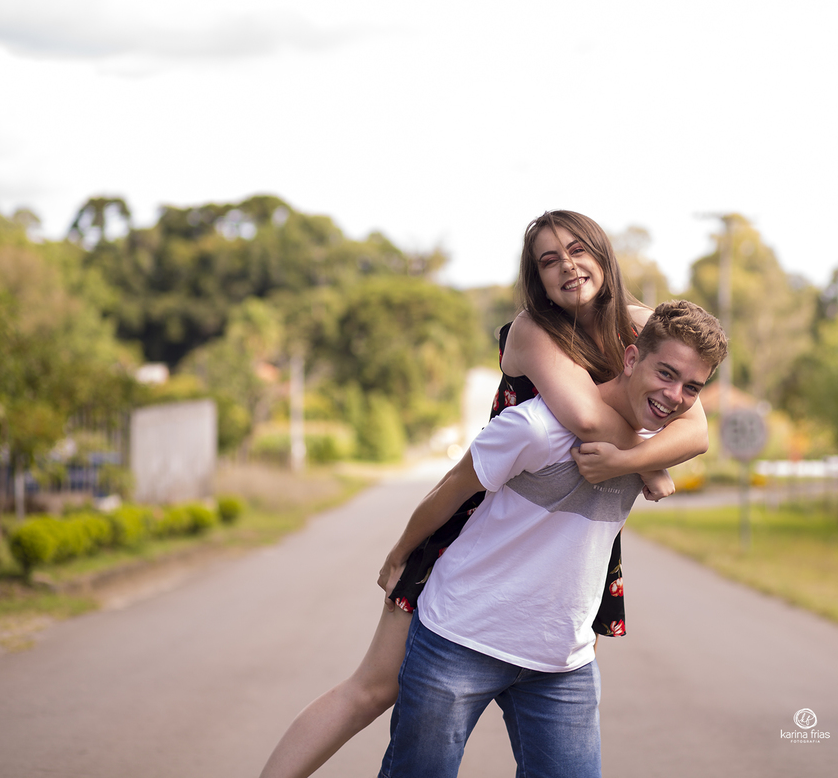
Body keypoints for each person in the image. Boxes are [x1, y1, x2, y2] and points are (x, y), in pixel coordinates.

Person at [259, 211, 710, 778]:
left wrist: (643, 457)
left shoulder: (643, 327)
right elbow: (588, 419)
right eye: (549, 260)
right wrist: (648, 458)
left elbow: (697, 430)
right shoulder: (535, 329)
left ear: (603, 256)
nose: (567, 266)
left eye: (577, 250)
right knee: (373, 688)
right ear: (536, 278)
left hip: (566, 526)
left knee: (550, 655)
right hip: (479, 515)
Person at [378, 299, 728, 778]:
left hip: (562, 666)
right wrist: (400, 552)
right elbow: (450, 489)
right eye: (665, 373)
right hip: (459, 640)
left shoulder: (648, 447)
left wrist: (646, 463)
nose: (674, 396)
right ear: (631, 359)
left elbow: (689, 438)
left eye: (692, 387)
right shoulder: (535, 427)